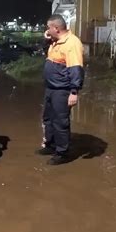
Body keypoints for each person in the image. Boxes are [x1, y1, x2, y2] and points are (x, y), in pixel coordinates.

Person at [37, 14, 85, 165]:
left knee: (60, 121)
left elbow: (76, 69)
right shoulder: (55, 41)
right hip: (51, 88)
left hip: (62, 90)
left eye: (48, 27)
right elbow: (43, 51)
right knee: (48, 118)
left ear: (56, 28)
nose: (47, 29)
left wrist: (74, 92)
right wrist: (47, 38)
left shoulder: (72, 43)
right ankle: (51, 145)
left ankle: (62, 153)